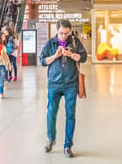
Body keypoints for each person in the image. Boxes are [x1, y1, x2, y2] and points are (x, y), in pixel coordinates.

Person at [39, 19, 88, 158]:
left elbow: (83, 58)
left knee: (70, 114)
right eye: (61, 33)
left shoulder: (75, 42)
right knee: (51, 113)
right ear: (57, 31)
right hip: (54, 84)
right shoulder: (51, 43)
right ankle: (51, 139)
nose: (64, 36)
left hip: (71, 84)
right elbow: (42, 61)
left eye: (66, 33)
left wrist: (71, 54)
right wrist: (56, 56)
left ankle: (68, 145)